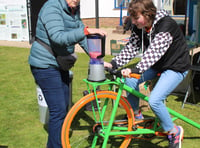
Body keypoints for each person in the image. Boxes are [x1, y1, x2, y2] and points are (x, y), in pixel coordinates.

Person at [104, 0, 190, 148]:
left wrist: (135, 70)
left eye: (136, 18)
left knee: (155, 100)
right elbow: (131, 47)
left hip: (176, 67)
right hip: (158, 65)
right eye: (132, 17)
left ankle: (174, 131)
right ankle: (137, 117)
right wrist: (113, 64)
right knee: (129, 81)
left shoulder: (166, 26)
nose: (133, 21)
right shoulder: (140, 26)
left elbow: (154, 52)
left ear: (148, 14)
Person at [28, 0, 106, 147]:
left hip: (60, 64)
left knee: (63, 108)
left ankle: (59, 141)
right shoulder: (51, 7)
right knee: (58, 110)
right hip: (45, 65)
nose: (75, 2)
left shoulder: (73, 9)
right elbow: (58, 37)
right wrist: (85, 31)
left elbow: (82, 36)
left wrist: (97, 59)